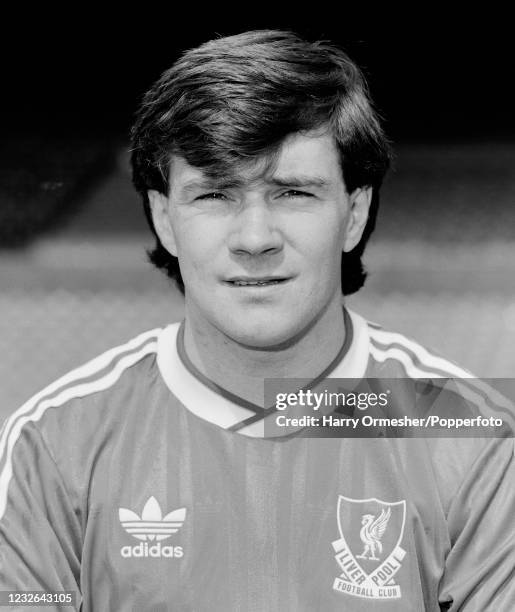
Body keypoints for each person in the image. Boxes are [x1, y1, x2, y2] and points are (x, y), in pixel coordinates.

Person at [0, 30, 514, 611]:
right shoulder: (52, 441)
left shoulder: (474, 436)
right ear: (163, 218)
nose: (254, 239)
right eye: (215, 195)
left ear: (355, 212)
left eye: (293, 192)